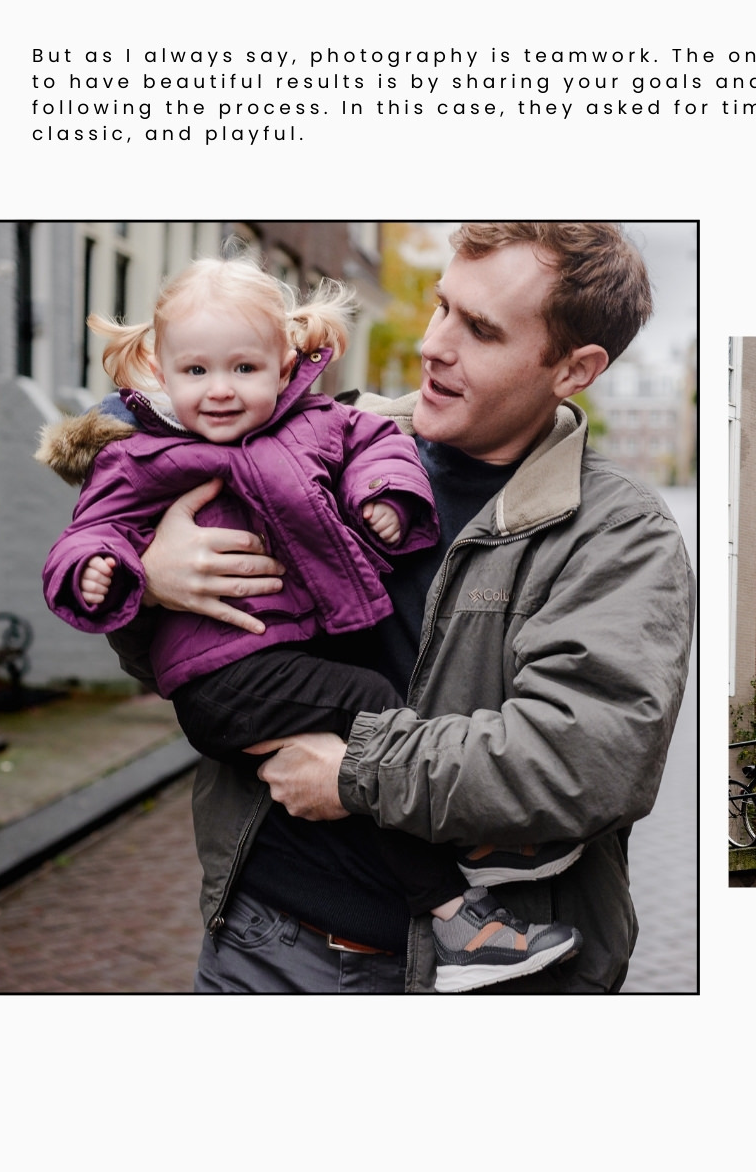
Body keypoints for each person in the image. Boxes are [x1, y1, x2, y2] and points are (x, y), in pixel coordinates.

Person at [107, 222, 696, 994]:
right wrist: (150, 584)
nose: (434, 344)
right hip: (261, 943)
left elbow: (586, 761)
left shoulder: (618, 535)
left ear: (573, 369)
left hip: (487, 984)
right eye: (443, 306)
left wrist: (357, 771)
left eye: (481, 330)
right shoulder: (319, 441)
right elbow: (184, 668)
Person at [38, 255, 584, 992]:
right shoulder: (142, 459)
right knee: (373, 708)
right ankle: (464, 897)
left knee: (357, 764)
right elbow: (89, 532)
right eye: (195, 371)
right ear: (160, 371)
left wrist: (383, 495)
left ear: (285, 364)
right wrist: (127, 572)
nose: (220, 389)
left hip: (282, 662)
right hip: (222, 679)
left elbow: (373, 447)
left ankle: (462, 899)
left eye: (243, 368)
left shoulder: (318, 423)